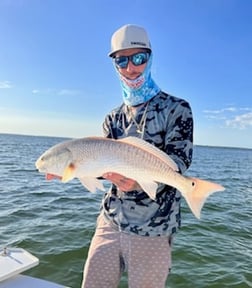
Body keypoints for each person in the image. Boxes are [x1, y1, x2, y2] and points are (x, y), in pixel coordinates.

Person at [81, 24, 193, 288]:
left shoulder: (177, 108)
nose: (130, 68)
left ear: (150, 58)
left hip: (154, 227)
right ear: (115, 65)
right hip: (110, 220)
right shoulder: (112, 117)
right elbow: (100, 163)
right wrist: (74, 168)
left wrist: (143, 179)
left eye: (138, 58)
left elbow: (180, 159)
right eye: (122, 60)